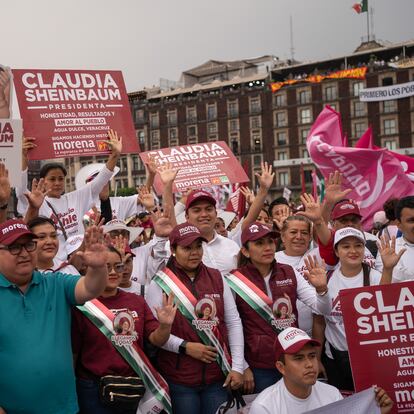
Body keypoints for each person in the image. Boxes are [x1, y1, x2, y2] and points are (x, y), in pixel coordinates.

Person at [0, 219, 109, 414]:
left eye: (29, 245)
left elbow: (90, 288)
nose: (24, 253)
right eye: (14, 247)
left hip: (63, 409)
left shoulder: (56, 283)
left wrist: (98, 267)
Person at [146, 222, 244, 414]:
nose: (194, 252)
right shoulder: (159, 283)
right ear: (173, 249)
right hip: (179, 380)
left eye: (198, 246)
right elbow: (153, 333)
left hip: (217, 377)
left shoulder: (216, 277)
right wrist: (185, 347)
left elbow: (233, 322)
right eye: (187, 248)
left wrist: (238, 367)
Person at [72, 245, 176, 414]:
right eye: (107, 266)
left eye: (118, 266)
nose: (113, 272)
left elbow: (156, 339)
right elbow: (74, 352)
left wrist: (165, 325)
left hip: (131, 385)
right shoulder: (83, 304)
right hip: (92, 388)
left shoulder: (136, 301)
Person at [230, 222, 331, 395]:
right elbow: (231, 326)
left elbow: (322, 309)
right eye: (259, 243)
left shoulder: (289, 272)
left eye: (270, 242)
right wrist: (242, 366)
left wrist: (322, 289)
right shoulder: (234, 280)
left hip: (294, 358)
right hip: (260, 365)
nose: (268, 247)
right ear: (245, 251)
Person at [312, 227, 404, 391]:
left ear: (364, 249)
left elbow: (383, 310)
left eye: (358, 245)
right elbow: (319, 322)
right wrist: (316, 359)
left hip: (370, 360)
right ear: (337, 251)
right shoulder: (326, 279)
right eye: (346, 246)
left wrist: (388, 269)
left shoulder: (375, 276)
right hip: (335, 359)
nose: (353, 251)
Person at [17, 129, 122, 262]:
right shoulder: (36, 202)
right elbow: (20, 190)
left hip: (79, 260)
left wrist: (114, 156)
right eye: (52, 179)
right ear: (42, 181)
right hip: (52, 264)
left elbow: (100, 181)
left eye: (61, 179)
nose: (57, 183)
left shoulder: (75, 198)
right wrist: (22, 157)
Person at [249, 327, 393, 414]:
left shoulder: (332, 394)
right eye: (299, 358)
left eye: (312, 356)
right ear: (281, 367)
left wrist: (376, 411)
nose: (309, 364)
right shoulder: (264, 407)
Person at [375, 196, 414, 282]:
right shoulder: (387, 251)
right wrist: (388, 270)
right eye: (411, 220)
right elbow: (382, 291)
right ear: (399, 225)